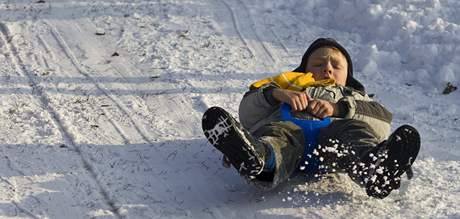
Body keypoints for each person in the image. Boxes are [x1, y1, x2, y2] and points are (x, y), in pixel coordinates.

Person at [202, 38, 420, 199]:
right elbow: (248, 113)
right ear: (304, 69)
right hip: (290, 134)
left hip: (332, 143)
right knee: (277, 135)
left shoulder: (352, 96)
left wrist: (339, 109)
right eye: (318, 64)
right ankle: (260, 163)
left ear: (348, 76)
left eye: (336, 65)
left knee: (354, 131)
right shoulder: (287, 87)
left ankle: (373, 168)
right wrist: (276, 94)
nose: (327, 68)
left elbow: (382, 123)